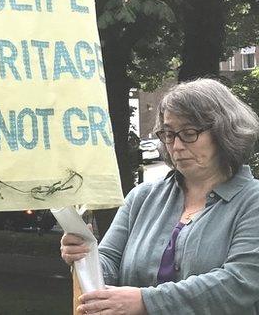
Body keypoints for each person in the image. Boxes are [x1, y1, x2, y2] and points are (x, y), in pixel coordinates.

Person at [60, 78, 259, 314]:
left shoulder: (251, 201)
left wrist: (146, 301)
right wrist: (84, 254)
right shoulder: (141, 198)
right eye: (168, 133)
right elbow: (108, 264)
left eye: (188, 133)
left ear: (224, 131)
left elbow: (241, 283)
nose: (176, 145)